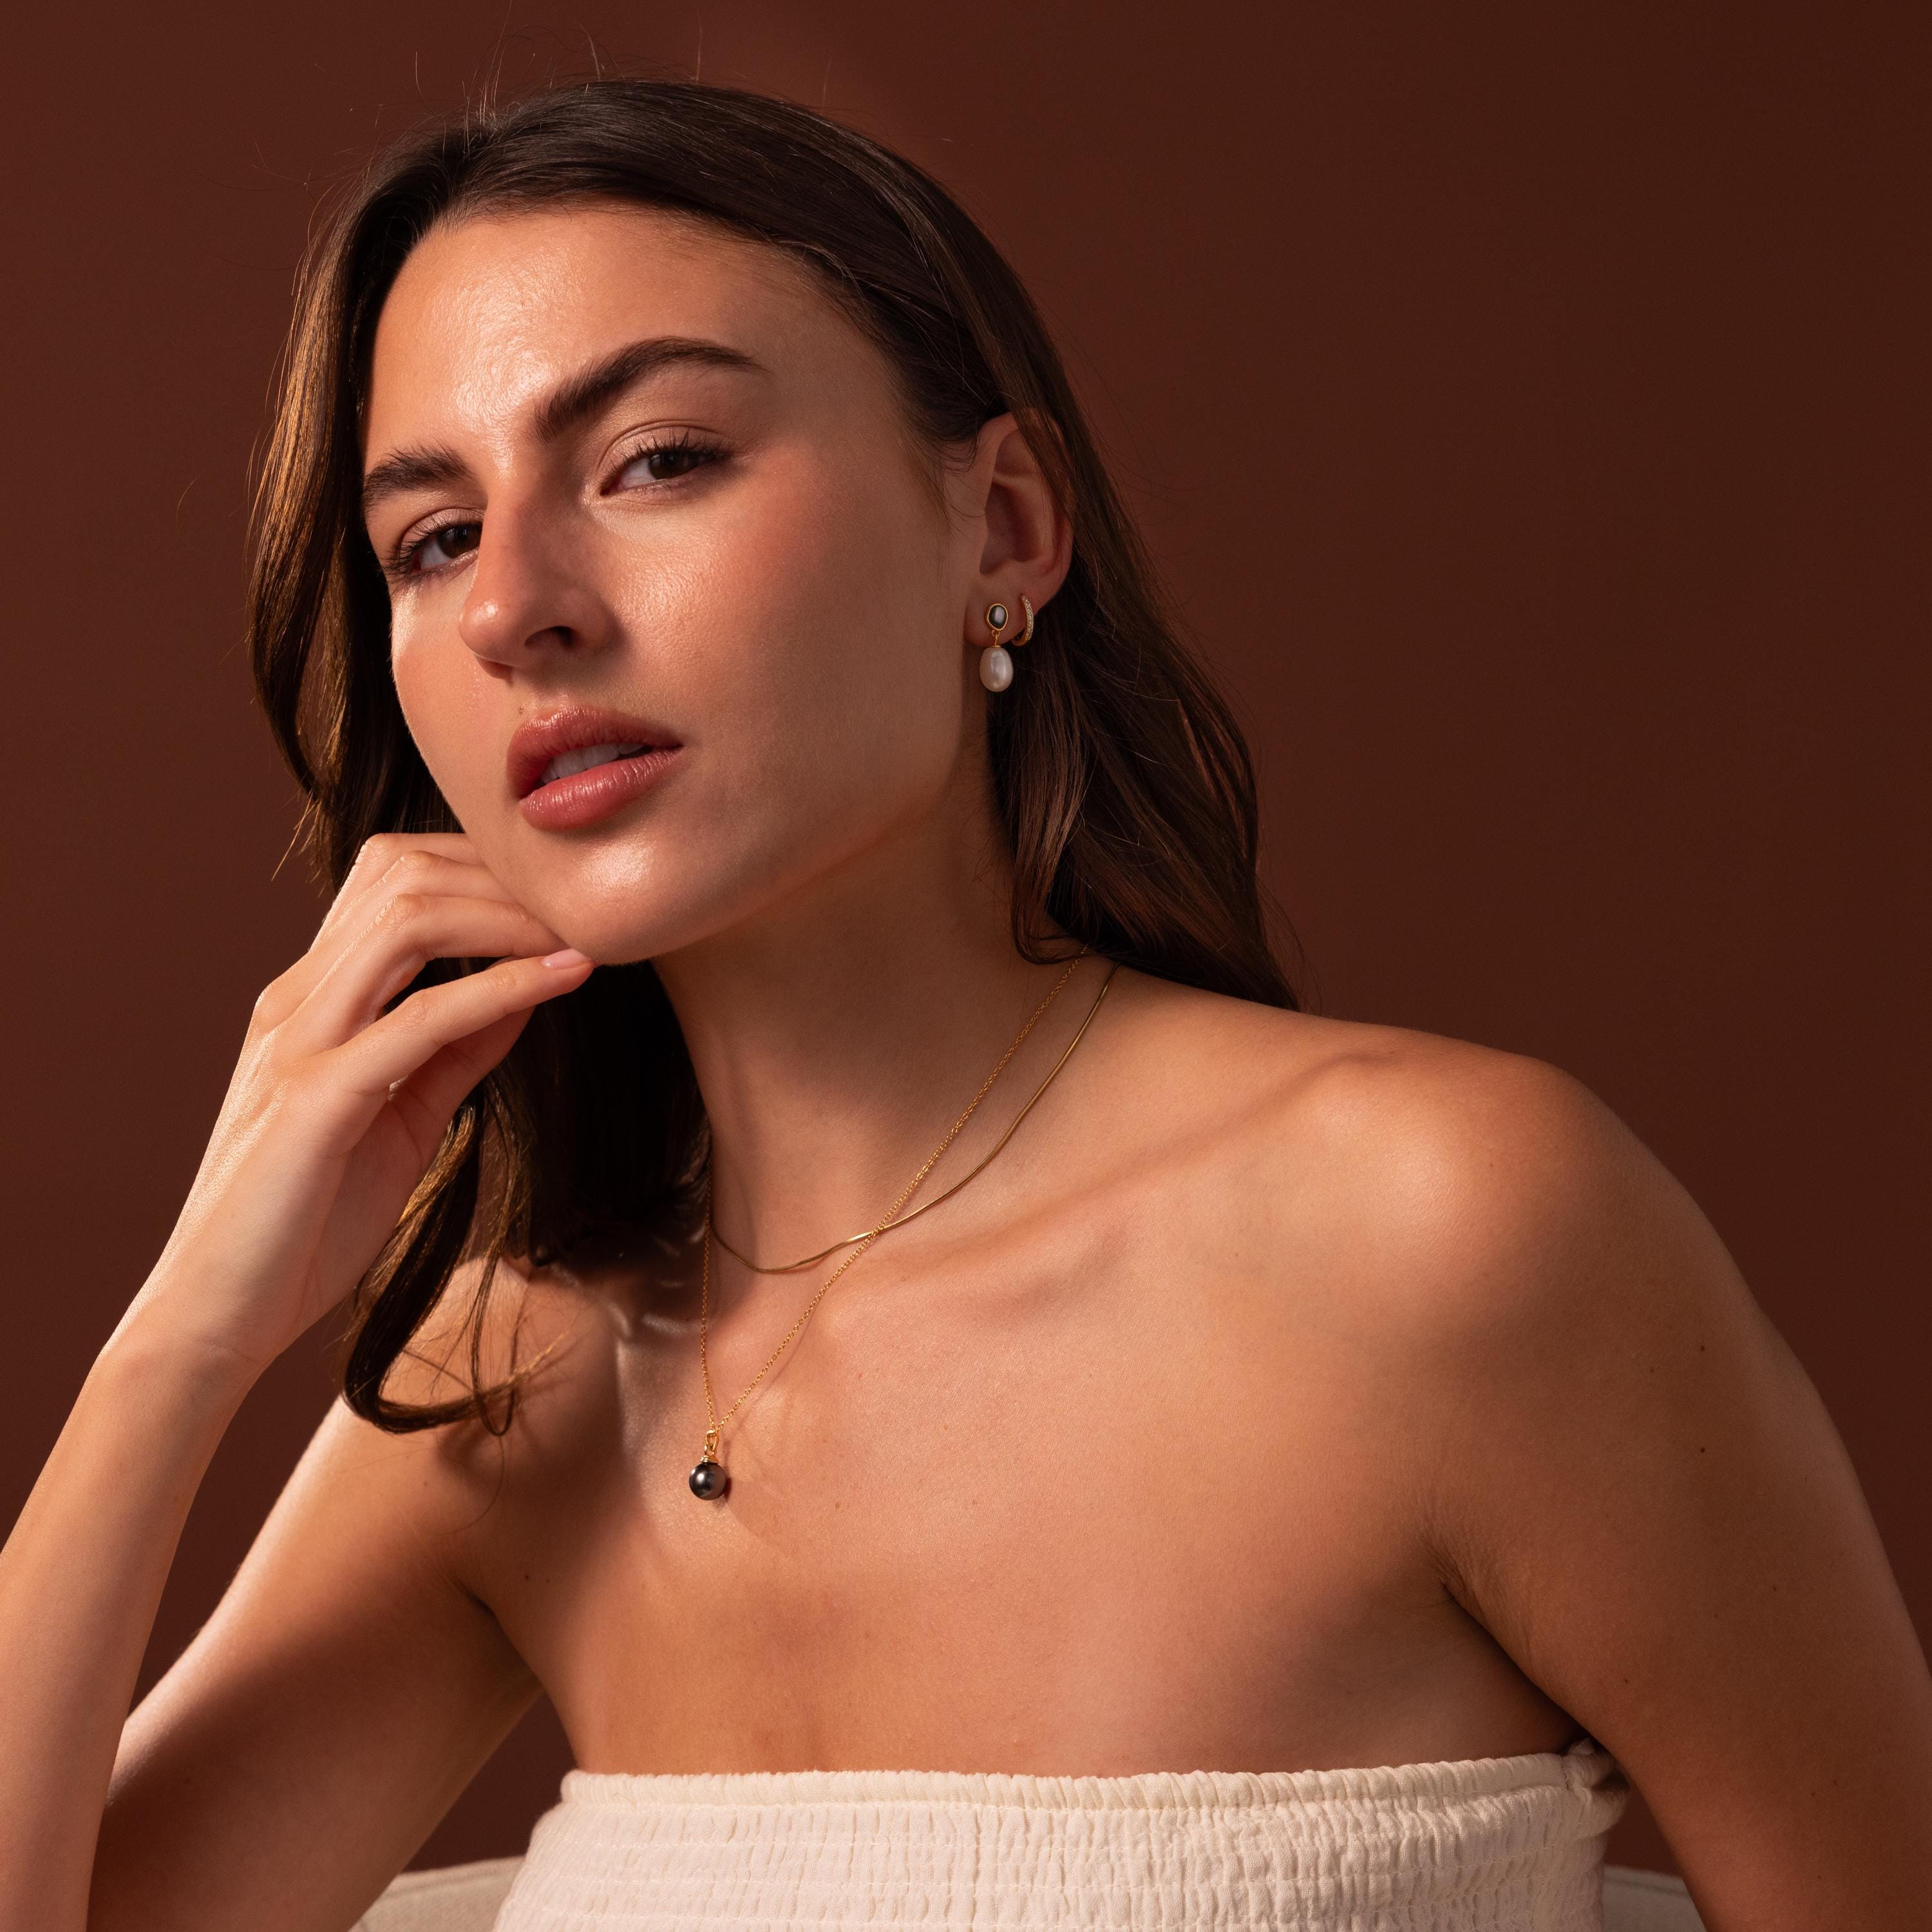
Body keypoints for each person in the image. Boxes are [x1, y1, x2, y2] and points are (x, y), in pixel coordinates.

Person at [2, 75, 1927, 1932]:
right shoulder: (515, 1381)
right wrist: (184, 1337)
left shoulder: (1445, 1230)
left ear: (1001, 527)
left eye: (656, 458)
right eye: (430, 537)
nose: (519, 604)